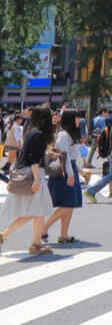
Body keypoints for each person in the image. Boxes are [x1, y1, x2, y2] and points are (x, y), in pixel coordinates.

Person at [0, 108, 56, 255]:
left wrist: (47, 154)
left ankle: (35, 244)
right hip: (33, 174)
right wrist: (37, 180)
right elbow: (33, 159)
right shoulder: (38, 134)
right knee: (35, 210)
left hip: (27, 172)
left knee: (39, 211)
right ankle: (4, 235)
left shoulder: (31, 131)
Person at [42, 109, 83, 243]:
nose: (79, 120)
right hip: (64, 171)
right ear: (70, 119)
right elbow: (63, 157)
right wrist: (70, 174)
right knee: (67, 204)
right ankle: (44, 227)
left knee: (70, 204)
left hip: (70, 169)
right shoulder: (63, 135)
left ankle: (63, 234)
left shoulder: (71, 134)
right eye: (76, 118)